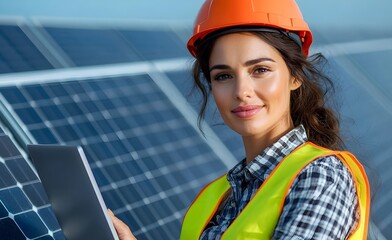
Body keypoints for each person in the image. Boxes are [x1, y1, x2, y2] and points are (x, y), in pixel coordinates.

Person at [109, 0, 371, 239]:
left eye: (260, 70)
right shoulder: (216, 198)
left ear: (295, 76)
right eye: (223, 76)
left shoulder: (320, 175)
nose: (241, 91)